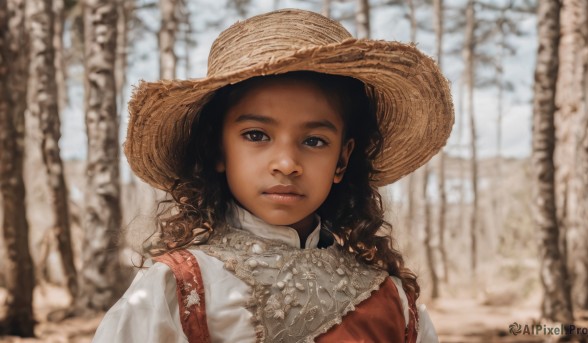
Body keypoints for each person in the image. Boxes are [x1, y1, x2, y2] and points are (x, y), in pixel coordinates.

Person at [93, 8, 453, 343]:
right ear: (218, 149)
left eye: (314, 140)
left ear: (342, 160)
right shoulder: (178, 286)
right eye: (256, 135)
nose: (286, 163)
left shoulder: (392, 299)